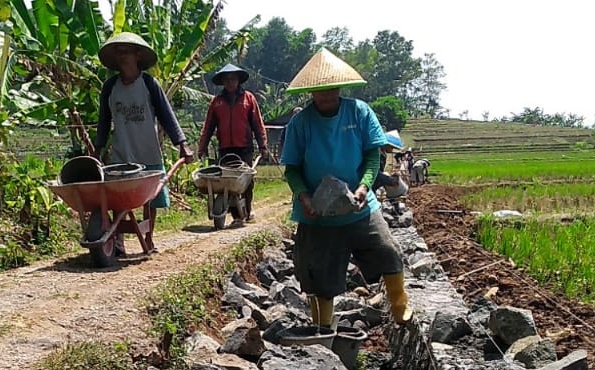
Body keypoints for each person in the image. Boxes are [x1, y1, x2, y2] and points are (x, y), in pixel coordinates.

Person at [279, 49, 413, 326]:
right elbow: (291, 168)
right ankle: (324, 328)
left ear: (340, 87)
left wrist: (364, 187)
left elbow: (372, 156)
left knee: (386, 249)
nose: (327, 95)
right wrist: (304, 197)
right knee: (318, 275)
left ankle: (399, 306)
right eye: (321, 91)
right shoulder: (300, 123)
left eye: (332, 89)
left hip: (359, 206)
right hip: (316, 213)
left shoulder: (359, 112)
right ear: (311, 92)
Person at [92, 31, 194, 251]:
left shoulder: (148, 84)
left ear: (137, 55)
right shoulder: (110, 87)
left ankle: (148, 237)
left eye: (126, 52)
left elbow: (167, 115)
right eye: (118, 54)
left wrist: (182, 144)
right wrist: (97, 150)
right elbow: (103, 121)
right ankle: (117, 240)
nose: (122, 58)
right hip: (122, 151)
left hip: (147, 149)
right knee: (118, 198)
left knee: (150, 198)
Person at [196, 63, 269, 224]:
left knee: (246, 180)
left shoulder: (248, 99)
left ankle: (247, 210)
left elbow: (257, 123)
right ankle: (236, 216)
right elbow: (208, 127)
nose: (230, 82)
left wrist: (263, 145)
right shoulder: (217, 102)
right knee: (228, 182)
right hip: (225, 148)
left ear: (238, 81)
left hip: (244, 147)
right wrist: (202, 147)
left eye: (233, 79)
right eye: (227, 79)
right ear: (222, 82)